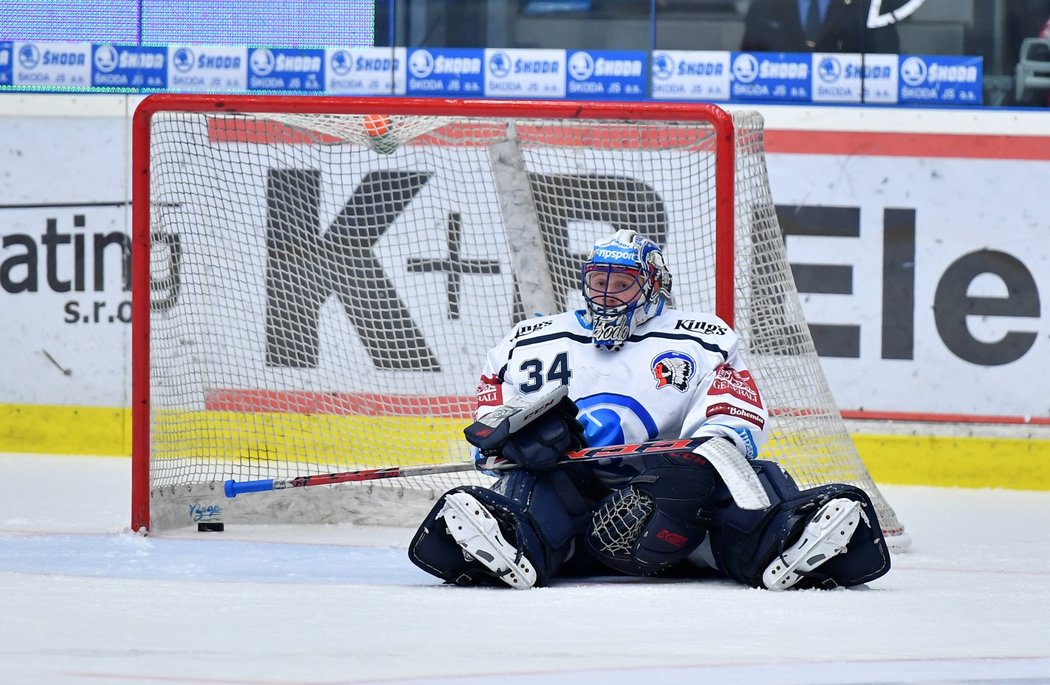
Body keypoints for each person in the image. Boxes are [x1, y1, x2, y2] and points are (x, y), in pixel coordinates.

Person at [409, 230, 891, 590]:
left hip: (674, 505)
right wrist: (515, 444)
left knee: (755, 478)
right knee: (524, 487)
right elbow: (489, 436)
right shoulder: (526, 343)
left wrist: (704, 448)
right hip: (575, 507)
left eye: (621, 283)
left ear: (653, 285)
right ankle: (513, 543)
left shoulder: (703, 338)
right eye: (598, 281)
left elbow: (734, 418)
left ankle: (784, 544)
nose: (606, 294)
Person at [741, 0, 900, 54]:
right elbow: (748, 58)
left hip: (845, 107)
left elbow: (886, 54)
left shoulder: (866, 6)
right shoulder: (764, 6)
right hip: (778, 101)